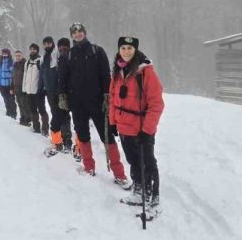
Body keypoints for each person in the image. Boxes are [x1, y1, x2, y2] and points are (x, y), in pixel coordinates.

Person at [58, 23, 129, 188]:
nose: (77, 34)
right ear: (72, 36)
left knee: (107, 137)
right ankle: (89, 167)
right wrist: (62, 95)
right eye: (74, 33)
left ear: (84, 33)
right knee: (82, 135)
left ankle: (120, 174)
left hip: (97, 102)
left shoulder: (97, 51)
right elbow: (63, 77)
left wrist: (107, 95)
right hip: (77, 103)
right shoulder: (68, 55)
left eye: (80, 31)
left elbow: (106, 74)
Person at [109, 36, 164, 209]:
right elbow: (112, 98)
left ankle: (152, 198)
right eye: (123, 48)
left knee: (147, 163)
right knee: (133, 162)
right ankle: (139, 191)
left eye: (130, 49)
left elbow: (156, 104)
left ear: (135, 50)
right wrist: (112, 121)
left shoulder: (145, 72)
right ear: (119, 50)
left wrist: (148, 131)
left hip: (141, 128)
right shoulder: (117, 71)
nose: (126, 52)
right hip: (124, 127)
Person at [41, 36, 72, 157]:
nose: (63, 48)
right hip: (51, 91)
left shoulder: (64, 57)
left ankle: (67, 141)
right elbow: (44, 74)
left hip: (63, 92)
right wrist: (43, 88)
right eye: (61, 46)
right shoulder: (48, 57)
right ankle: (58, 141)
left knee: (64, 116)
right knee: (56, 116)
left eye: (65, 46)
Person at [22, 43, 48, 136]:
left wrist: (44, 88)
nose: (32, 51)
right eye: (31, 49)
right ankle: (36, 127)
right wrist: (24, 89)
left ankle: (45, 129)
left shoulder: (40, 60)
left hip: (38, 91)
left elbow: (44, 76)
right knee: (32, 110)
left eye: (34, 49)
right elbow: (25, 75)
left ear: (37, 50)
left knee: (42, 110)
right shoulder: (27, 62)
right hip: (29, 91)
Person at [0, 48, 16, 118]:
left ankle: (14, 113)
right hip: (2, 84)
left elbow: (14, 73)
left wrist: (10, 67)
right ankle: (8, 111)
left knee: (11, 100)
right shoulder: (0, 62)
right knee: (5, 99)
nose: (4, 54)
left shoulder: (11, 62)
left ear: (8, 54)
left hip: (10, 84)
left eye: (5, 53)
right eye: (3, 53)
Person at [12, 50, 29, 126]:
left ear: (22, 55)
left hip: (23, 88)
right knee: (19, 104)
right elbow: (13, 77)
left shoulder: (25, 64)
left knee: (24, 104)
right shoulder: (15, 64)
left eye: (19, 55)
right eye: (16, 56)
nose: (17, 57)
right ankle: (22, 118)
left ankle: (27, 120)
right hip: (16, 88)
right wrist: (11, 88)